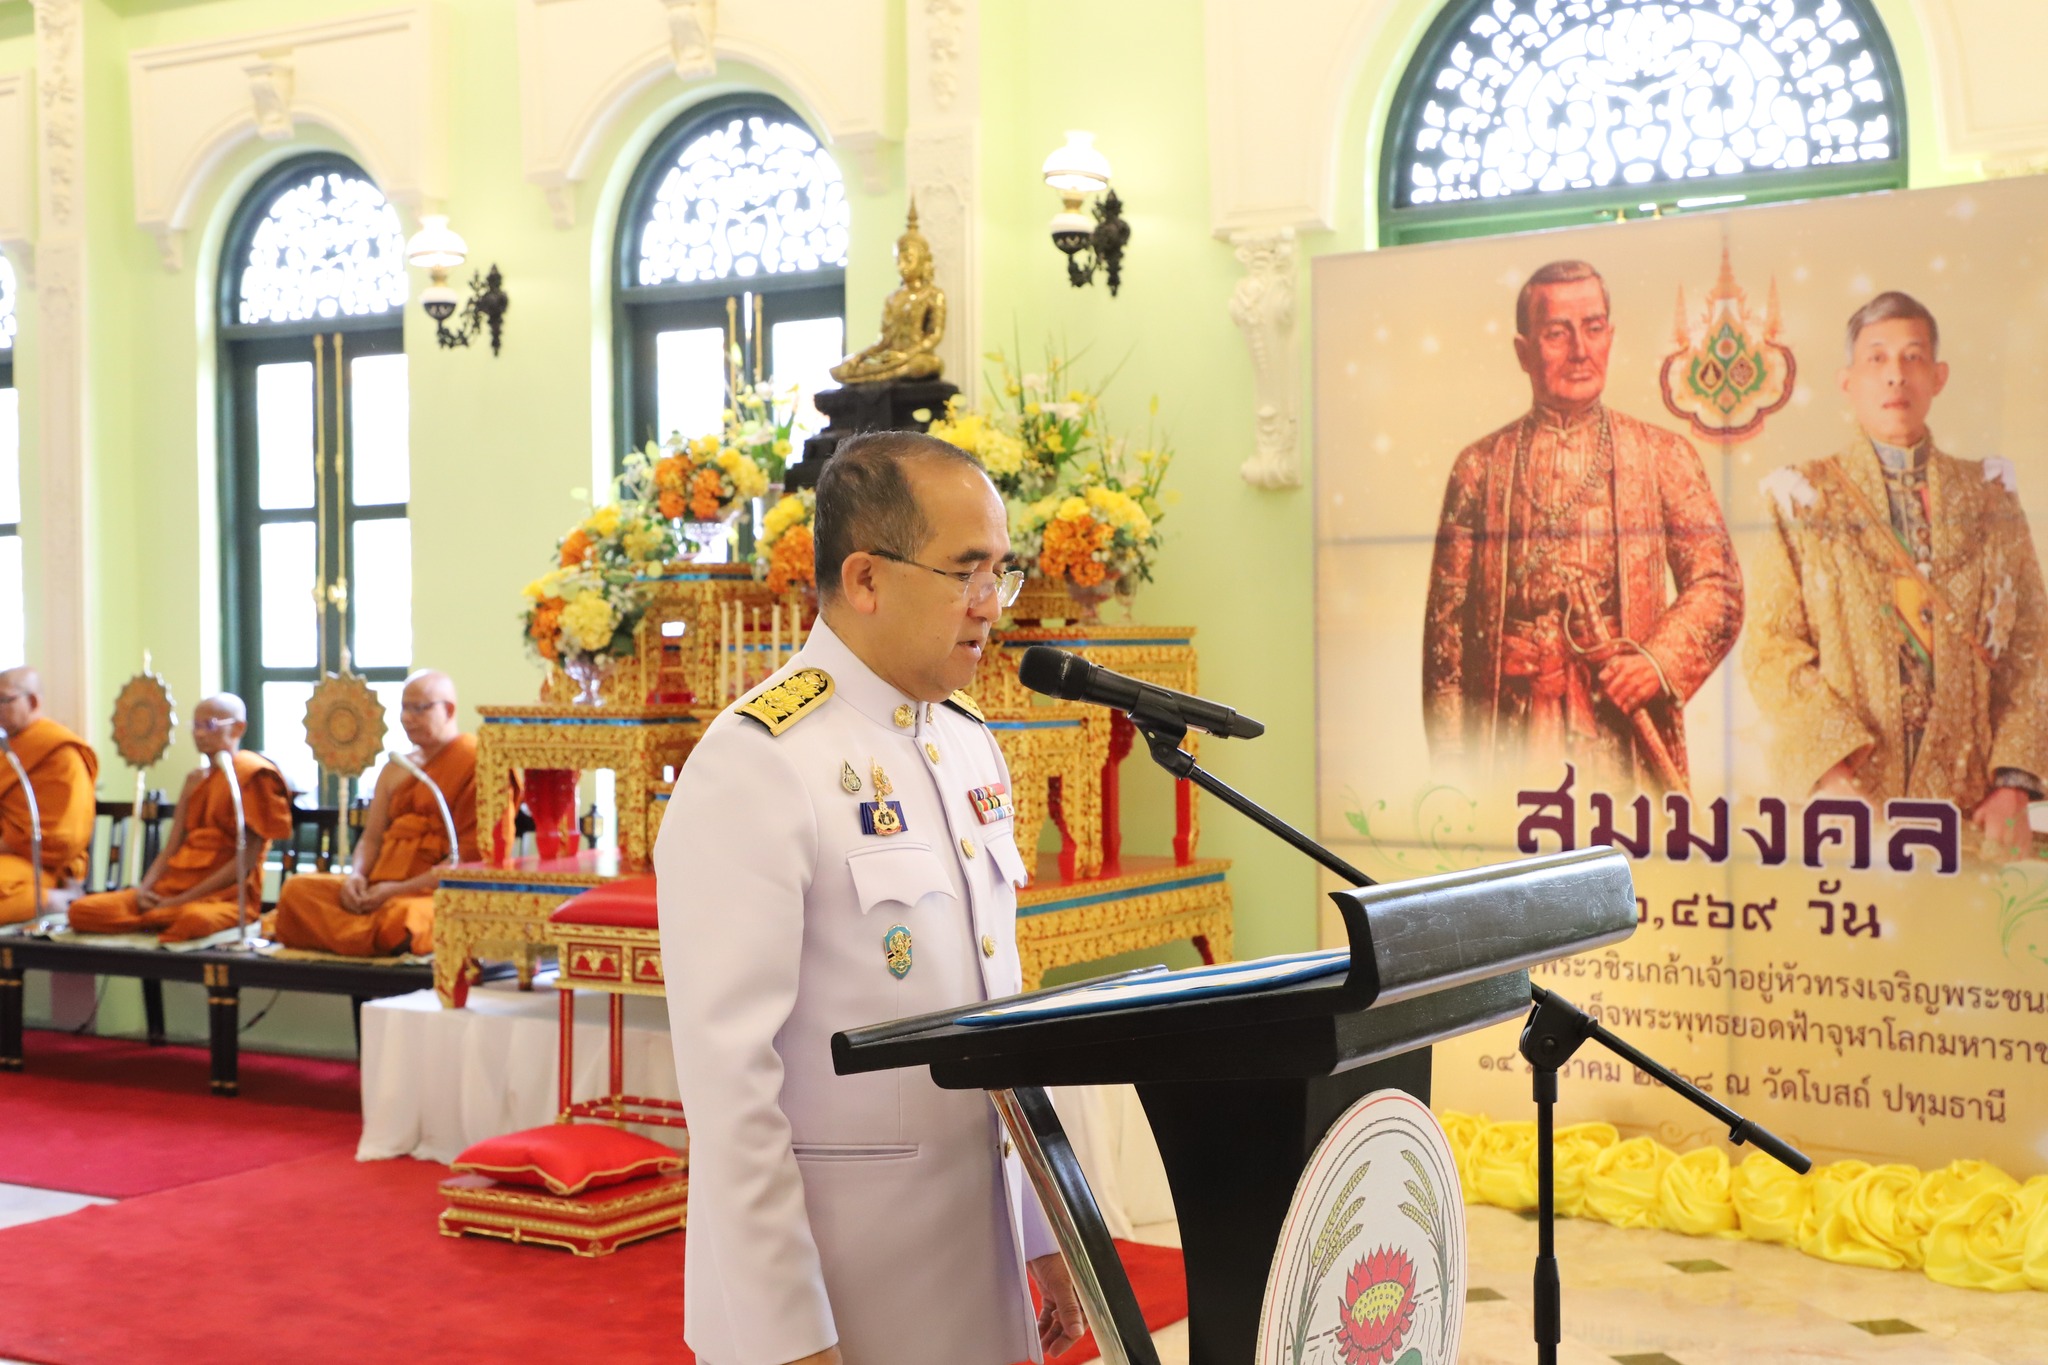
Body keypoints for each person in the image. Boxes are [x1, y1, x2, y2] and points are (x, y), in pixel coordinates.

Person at [655, 431, 1083, 1365]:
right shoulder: (759, 762)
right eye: (966, 571)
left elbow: (1000, 1014)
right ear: (865, 578)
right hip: (841, 1291)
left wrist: (1045, 1232)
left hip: (973, 1269)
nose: (990, 604)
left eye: (1000, 573)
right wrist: (787, 1334)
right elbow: (730, 1085)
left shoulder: (966, 742)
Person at [1745, 291, 2048, 859]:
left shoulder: (1990, 500)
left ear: (1938, 377)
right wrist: (1831, 776)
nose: (1895, 375)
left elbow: (2031, 647)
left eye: (1913, 357)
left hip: (1968, 812)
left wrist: (2013, 782)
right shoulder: (1801, 497)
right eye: (1877, 358)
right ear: (1847, 382)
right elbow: (1771, 648)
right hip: (1848, 813)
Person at [1423, 258, 1744, 793]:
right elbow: (1447, 634)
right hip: (1506, 734)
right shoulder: (1479, 468)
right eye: (1557, 333)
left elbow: (1720, 585)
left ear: (1610, 337)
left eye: (1593, 329)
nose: (1580, 350)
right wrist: (1453, 766)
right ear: (1523, 352)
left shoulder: (1664, 455)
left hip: (1622, 733)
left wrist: (1655, 663)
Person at [268, 670, 477, 955]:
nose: (407, 718)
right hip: (376, 888)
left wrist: (396, 890)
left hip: (428, 893)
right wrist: (356, 877)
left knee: (405, 918)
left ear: (449, 710)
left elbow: (468, 858)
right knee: (297, 891)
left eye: (418, 708)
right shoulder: (397, 767)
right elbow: (372, 838)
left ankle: (369, 936)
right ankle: (373, 938)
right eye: (404, 708)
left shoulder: (475, 762)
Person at [65, 693, 294, 942]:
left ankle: (156, 920)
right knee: (82, 911)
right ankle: (155, 919)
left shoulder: (254, 775)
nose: (200, 734)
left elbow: (245, 860)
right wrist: (144, 890)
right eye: (195, 725)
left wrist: (181, 900)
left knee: (193, 921)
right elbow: (172, 847)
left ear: (238, 728)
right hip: (170, 888)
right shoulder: (194, 780)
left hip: (223, 899)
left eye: (209, 725)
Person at [0, 667, 99, 925]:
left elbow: (64, 838)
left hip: (43, 865)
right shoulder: (7, 751)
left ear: (32, 701)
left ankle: (51, 900)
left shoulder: (61, 753)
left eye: (3, 700)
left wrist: (6, 843)